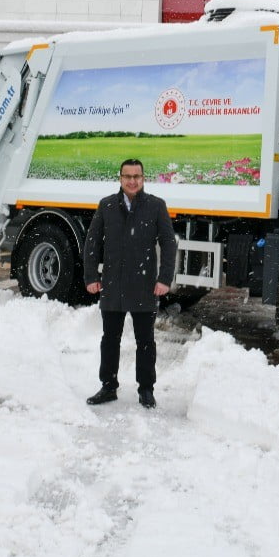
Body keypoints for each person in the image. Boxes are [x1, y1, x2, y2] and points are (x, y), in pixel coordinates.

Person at [83, 159, 177, 409]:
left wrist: (164, 279)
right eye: (128, 176)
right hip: (112, 284)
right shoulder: (106, 205)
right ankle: (108, 386)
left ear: (143, 178)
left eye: (137, 176)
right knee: (109, 339)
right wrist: (91, 277)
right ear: (120, 178)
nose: (132, 181)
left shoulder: (156, 206)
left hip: (144, 285)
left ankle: (146, 389)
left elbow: (169, 244)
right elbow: (92, 243)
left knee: (145, 341)